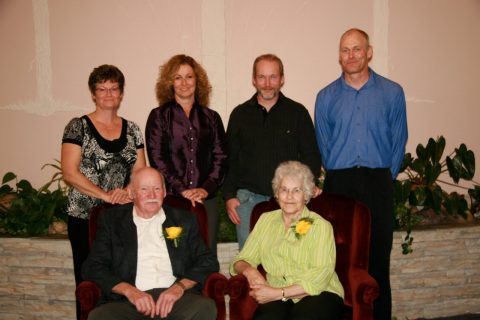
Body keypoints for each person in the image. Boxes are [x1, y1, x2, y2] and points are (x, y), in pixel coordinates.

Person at [314, 28, 408, 320]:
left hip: (377, 181)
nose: (351, 55)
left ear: (369, 52)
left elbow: (398, 140)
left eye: (357, 49)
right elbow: (323, 144)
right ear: (339, 56)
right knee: (339, 260)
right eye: (345, 50)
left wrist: (383, 177)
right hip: (339, 182)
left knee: (378, 258)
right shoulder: (326, 96)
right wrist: (338, 174)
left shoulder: (392, 92)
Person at [61, 64, 146, 319]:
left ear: (121, 94)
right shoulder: (78, 126)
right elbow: (70, 172)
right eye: (102, 89)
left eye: (114, 89)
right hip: (85, 218)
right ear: (93, 94)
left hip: (122, 219)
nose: (108, 94)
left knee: (123, 279)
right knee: (89, 283)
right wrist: (106, 195)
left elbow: (141, 171)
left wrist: (128, 192)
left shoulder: (132, 129)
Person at [82, 167, 218, 320]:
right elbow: (93, 266)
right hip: (129, 301)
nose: (152, 195)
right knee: (99, 316)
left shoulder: (184, 219)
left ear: (164, 192)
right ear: (132, 193)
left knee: (204, 307)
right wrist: (129, 291)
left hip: (176, 299)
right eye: (144, 189)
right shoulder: (111, 220)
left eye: (157, 188)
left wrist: (178, 288)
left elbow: (208, 261)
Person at [222, 53, 322, 249]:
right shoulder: (239, 114)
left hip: (291, 200)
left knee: (291, 259)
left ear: (282, 79)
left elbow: (311, 155)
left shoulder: (298, 113)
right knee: (249, 262)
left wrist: (308, 188)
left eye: (273, 77)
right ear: (254, 79)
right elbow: (230, 159)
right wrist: (229, 196)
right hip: (248, 201)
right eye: (261, 77)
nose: (267, 83)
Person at [230, 161, 344, 320]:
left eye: (296, 190)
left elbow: (319, 276)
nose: (289, 196)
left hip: (319, 293)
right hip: (278, 292)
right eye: (284, 190)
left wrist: (278, 293)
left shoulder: (320, 226)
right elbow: (242, 259)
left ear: (306, 195)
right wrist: (249, 270)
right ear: (276, 194)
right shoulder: (266, 220)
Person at [145, 54, 227, 255]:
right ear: (169, 83)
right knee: (175, 256)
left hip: (206, 201)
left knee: (207, 254)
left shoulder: (212, 118)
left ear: (197, 81)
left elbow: (221, 157)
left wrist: (205, 189)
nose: (184, 83)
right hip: (173, 199)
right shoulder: (158, 116)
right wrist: (182, 190)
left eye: (189, 77)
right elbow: (158, 160)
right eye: (178, 77)